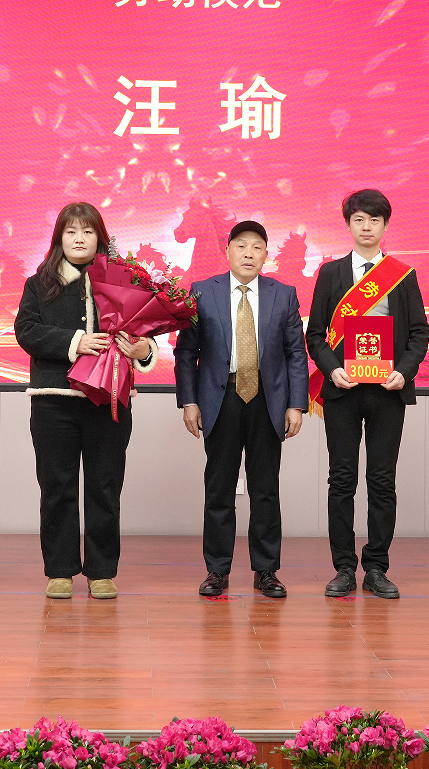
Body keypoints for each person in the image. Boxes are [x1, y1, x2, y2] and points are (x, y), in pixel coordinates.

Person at [15, 202, 156, 600]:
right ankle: (59, 571)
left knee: (104, 487)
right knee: (57, 487)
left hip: (108, 401)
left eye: (88, 231)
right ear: (59, 238)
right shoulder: (39, 284)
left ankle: (101, 571)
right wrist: (75, 342)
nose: (79, 238)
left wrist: (144, 349)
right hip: (54, 401)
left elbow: (143, 331)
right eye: (71, 231)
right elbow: (26, 331)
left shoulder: (122, 282)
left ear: (100, 238)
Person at [305, 189, 429, 600]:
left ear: (385, 225)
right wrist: (332, 368)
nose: (366, 227)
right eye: (358, 219)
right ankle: (343, 567)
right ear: (348, 224)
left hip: (387, 391)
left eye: (374, 220)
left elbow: (419, 333)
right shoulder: (331, 273)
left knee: (382, 480)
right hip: (343, 389)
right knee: (341, 479)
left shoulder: (402, 274)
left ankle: (376, 567)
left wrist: (403, 371)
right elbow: (316, 334)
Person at [175, 221, 309, 598]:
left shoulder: (283, 294)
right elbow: (186, 352)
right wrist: (189, 401)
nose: (249, 253)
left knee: (265, 488)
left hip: (268, 399)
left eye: (257, 247)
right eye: (241, 246)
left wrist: (296, 404)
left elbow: (296, 353)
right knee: (219, 488)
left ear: (265, 255)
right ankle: (217, 570)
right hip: (221, 398)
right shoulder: (202, 292)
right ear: (228, 251)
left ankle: (266, 571)